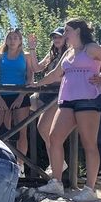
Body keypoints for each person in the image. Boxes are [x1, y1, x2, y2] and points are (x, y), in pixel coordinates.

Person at [42, 19, 101, 200]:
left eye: (67, 30)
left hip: (89, 99)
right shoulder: (68, 52)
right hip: (67, 99)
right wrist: (36, 83)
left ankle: (90, 189)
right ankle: (56, 182)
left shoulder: (91, 48)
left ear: (77, 31)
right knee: (54, 137)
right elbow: (55, 74)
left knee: (89, 143)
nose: (65, 34)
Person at [0, 28, 35, 158]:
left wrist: (22, 95)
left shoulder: (26, 56)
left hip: (21, 96)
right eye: (10, 37)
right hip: (2, 96)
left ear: (20, 40)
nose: (12, 40)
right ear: (6, 40)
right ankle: (5, 162)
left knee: (22, 132)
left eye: (15, 38)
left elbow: (29, 78)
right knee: (3, 131)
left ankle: (21, 165)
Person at [34, 28, 67, 175]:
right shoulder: (52, 54)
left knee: (44, 128)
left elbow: (59, 76)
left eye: (59, 37)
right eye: (54, 37)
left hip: (59, 94)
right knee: (47, 131)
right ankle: (55, 164)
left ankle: (58, 163)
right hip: (46, 94)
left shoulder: (69, 53)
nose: (56, 39)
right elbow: (36, 68)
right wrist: (32, 49)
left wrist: (42, 82)